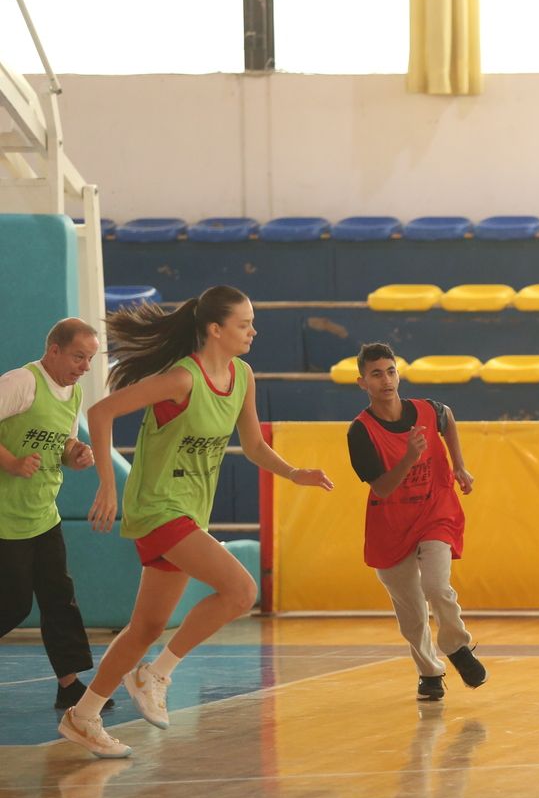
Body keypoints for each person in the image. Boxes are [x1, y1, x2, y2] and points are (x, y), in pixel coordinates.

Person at [58, 285, 334, 759]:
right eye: (244, 324)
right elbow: (101, 412)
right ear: (215, 329)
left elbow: (253, 445)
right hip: (158, 506)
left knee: (147, 626)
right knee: (242, 591)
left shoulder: (242, 376)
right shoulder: (182, 379)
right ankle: (156, 674)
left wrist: (293, 473)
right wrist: (107, 483)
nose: (253, 331)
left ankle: (83, 716)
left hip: (188, 511)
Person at [347, 342, 486, 701]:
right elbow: (382, 487)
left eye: (390, 371)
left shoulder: (426, 410)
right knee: (411, 615)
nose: (386, 380)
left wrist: (459, 465)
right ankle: (429, 672)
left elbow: (447, 417)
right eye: (376, 374)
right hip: (391, 526)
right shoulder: (360, 431)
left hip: (434, 511)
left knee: (437, 586)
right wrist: (409, 457)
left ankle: (457, 646)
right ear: (362, 382)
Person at [0, 318, 111, 711]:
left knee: (59, 598)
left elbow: (60, 442)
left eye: (90, 359)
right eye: (79, 357)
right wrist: (12, 463)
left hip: (43, 513)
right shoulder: (22, 383)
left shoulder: (73, 393)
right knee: (14, 603)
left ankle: (70, 685)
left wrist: (74, 454)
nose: (85, 366)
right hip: (5, 516)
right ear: (54, 351)